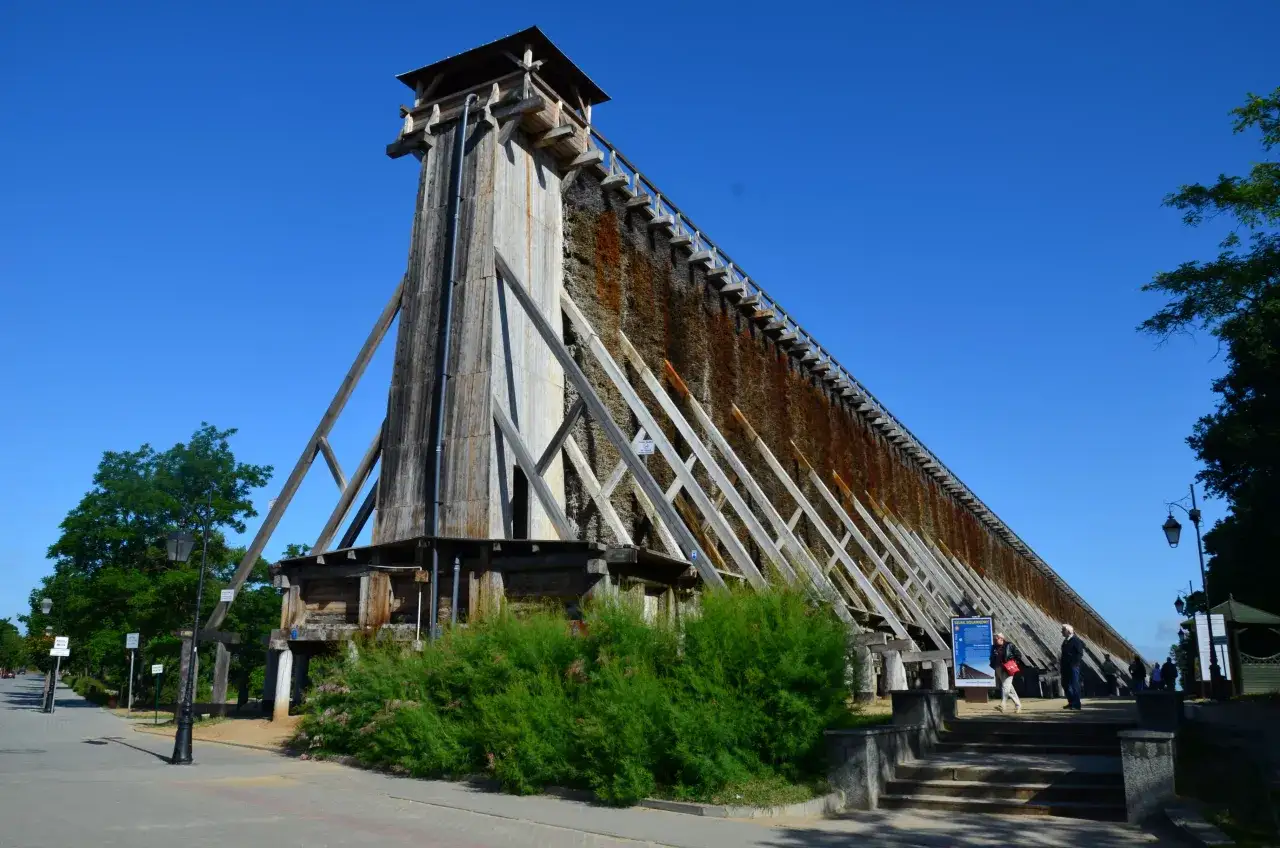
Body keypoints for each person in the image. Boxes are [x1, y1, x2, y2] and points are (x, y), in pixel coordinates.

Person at [990, 632, 1023, 713]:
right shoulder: (994, 647)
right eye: (994, 638)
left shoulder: (1009, 645)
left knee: (1005, 686)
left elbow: (1018, 655)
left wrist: (1012, 662)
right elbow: (992, 656)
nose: (994, 640)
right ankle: (1018, 705)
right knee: (1009, 688)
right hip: (998, 668)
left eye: (996, 638)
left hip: (1008, 668)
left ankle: (1003, 704)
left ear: (1001, 638)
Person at [1060, 623, 1084, 710]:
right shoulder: (1066, 641)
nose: (1061, 632)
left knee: (1074, 684)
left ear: (1069, 631)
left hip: (1073, 666)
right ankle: (1071, 702)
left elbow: (1080, 653)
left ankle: (1077, 704)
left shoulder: (1075, 640)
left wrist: (1075, 663)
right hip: (1065, 666)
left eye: (1063, 630)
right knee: (1065, 684)